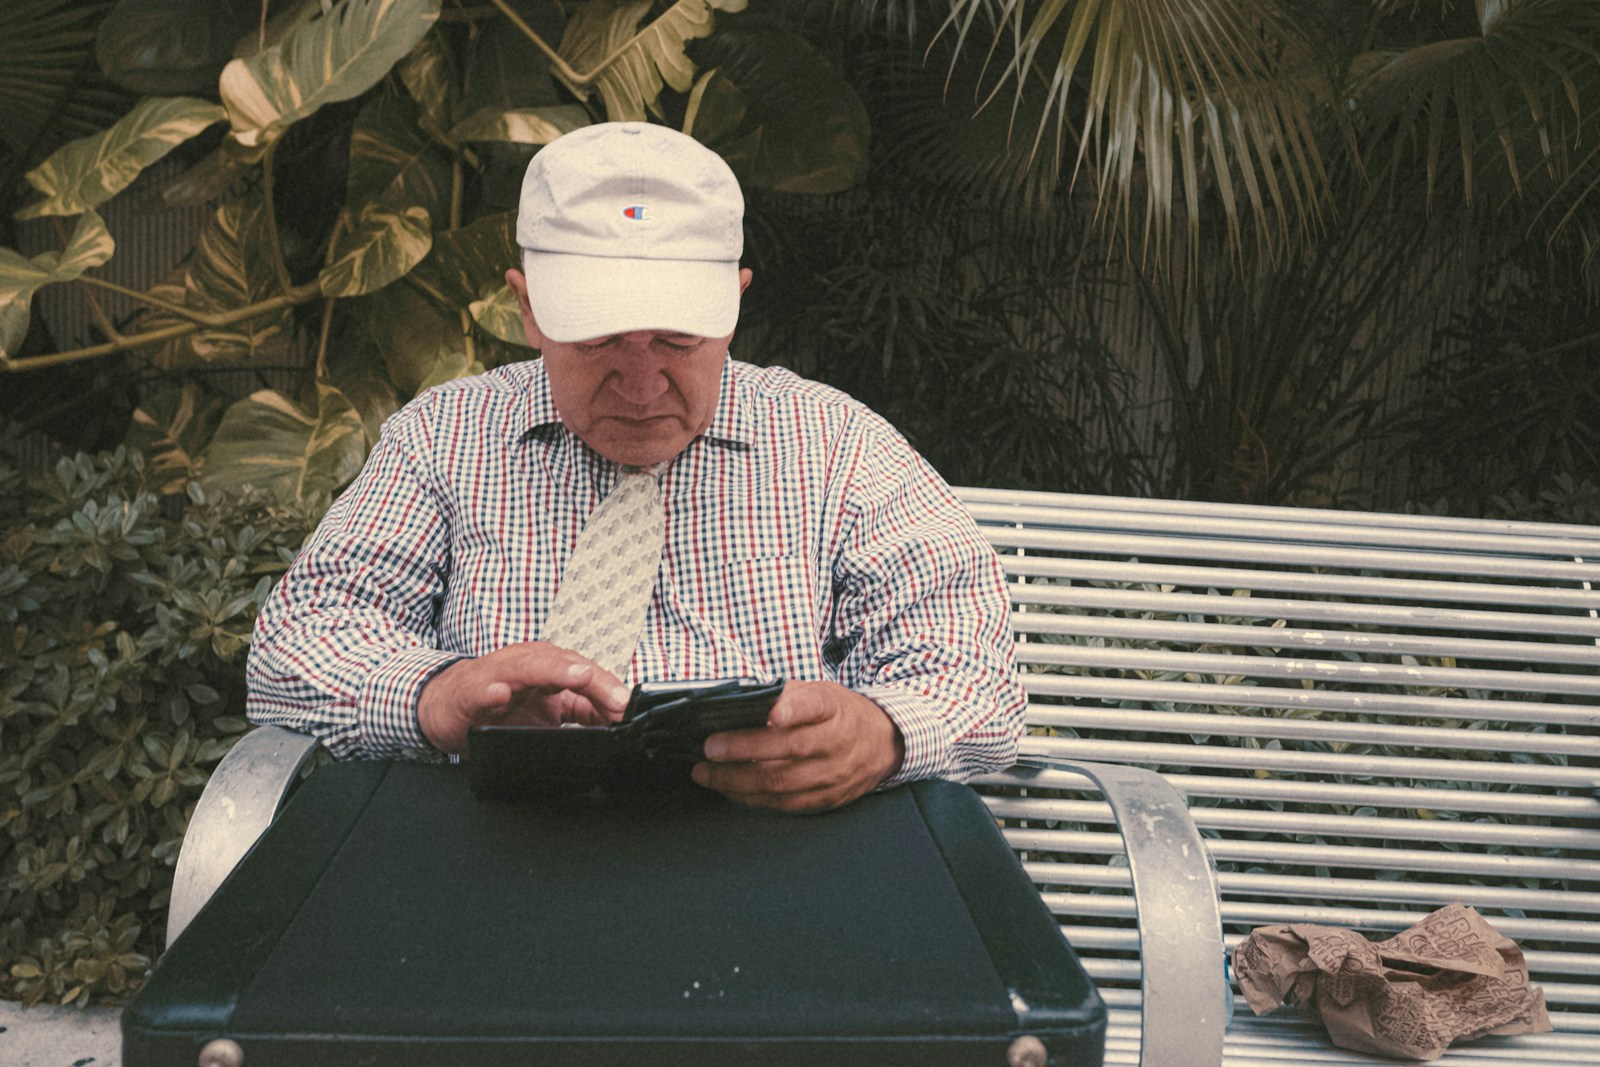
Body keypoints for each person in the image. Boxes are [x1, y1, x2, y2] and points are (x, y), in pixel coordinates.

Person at [247, 121, 1026, 813]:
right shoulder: (444, 439)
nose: (643, 383)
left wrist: (884, 732)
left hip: (764, 858)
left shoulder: (838, 447)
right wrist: (434, 693)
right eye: (597, 340)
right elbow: (296, 644)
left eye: (679, 341)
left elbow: (976, 669)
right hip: (496, 854)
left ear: (735, 305)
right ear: (527, 309)